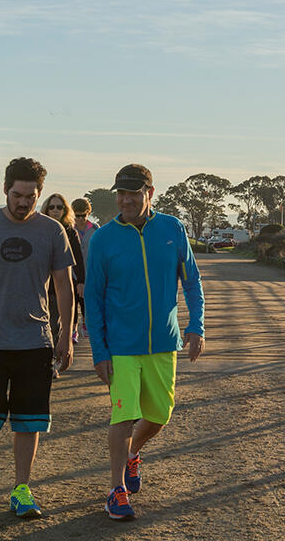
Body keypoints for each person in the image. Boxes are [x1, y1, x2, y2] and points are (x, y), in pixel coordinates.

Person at [0, 157, 75, 519]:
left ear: (39, 194)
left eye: (31, 197)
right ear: (5, 190)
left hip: (35, 340)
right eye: (18, 195)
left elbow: (64, 286)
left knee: (29, 420)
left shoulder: (52, 231)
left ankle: (22, 489)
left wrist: (67, 335)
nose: (24, 203)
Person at [85, 163, 205, 521]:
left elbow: (192, 283)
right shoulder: (104, 238)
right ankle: (116, 490)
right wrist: (99, 351)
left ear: (150, 194)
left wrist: (196, 326)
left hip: (163, 343)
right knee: (123, 415)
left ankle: (134, 451)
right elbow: (92, 298)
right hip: (121, 346)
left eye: (133, 194)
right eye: (121, 193)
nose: (125, 200)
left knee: (160, 414)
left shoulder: (172, 229)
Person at [40, 193, 85, 348]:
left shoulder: (70, 232)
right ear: (46, 209)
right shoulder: (38, 229)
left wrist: (81, 281)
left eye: (59, 207)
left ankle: (53, 360)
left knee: (55, 324)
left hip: (61, 284)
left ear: (65, 210)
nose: (55, 210)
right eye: (52, 207)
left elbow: (78, 258)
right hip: (39, 284)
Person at [71, 197, 98, 339]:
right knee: (73, 303)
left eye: (83, 215)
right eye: (77, 215)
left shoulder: (95, 229)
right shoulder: (69, 229)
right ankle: (73, 329)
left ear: (88, 213)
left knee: (87, 302)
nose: (80, 219)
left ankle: (86, 325)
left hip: (90, 273)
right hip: (73, 273)